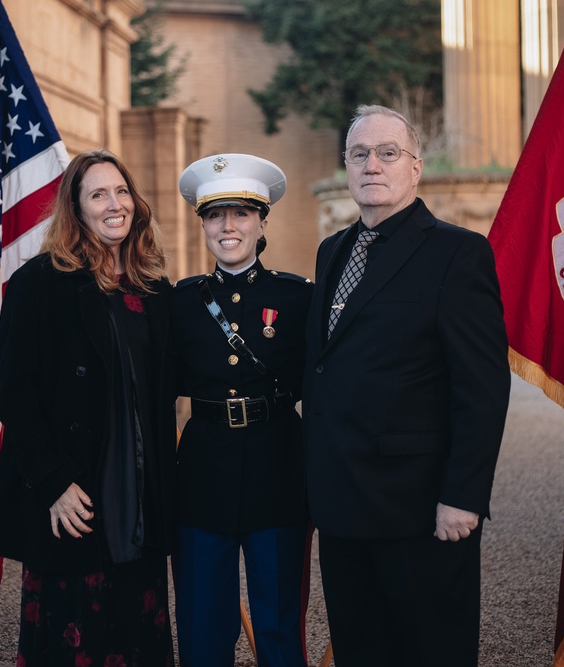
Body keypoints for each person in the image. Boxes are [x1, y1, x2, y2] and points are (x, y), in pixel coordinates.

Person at [301, 105, 511, 666]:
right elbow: (323, 369)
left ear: (415, 168)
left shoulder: (458, 253)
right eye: (359, 154)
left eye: (387, 153)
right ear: (347, 168)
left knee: (431, 650)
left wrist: (463, 496)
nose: (372, 164)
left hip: (418, 508)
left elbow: (482, 388)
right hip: (342, 507)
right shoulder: (332, 251)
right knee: (360, 649)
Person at [0, 150, 177, 667]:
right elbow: (13, 393)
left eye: (121, 192)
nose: (115, 204)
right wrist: (53, 483)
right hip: (75, 491)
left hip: (139, 492)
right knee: (73, 638)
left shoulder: (155, 290)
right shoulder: (39, 284)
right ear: (77, 209)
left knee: (138, 629)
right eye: (98, 194)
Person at [172, 154, 313, 667]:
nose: (227, 226)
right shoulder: (181, 303)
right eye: (215, 216)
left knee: (278, 622)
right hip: (202, 473)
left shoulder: (298, 299)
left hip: (278, 469)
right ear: (204, 224)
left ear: (262, 223)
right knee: (202, 622)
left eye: (241, 214)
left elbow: (321, 389)